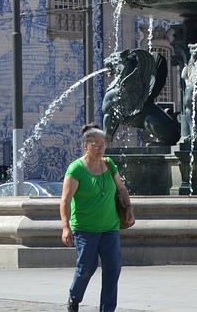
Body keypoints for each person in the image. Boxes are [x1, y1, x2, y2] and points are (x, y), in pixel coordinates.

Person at [60, 126, 132, 312]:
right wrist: (66, 227)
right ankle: (74, 297)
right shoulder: (76, 169)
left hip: (110, 226)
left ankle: (107, 309)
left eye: (103, 145)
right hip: (85, 228)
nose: (101, 149)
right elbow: (65, 201)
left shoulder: (109, 164)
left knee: (113, 268)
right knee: (86, 268)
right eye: (96, 145)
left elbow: (121, 188)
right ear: (86, 146)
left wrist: (129, 208)